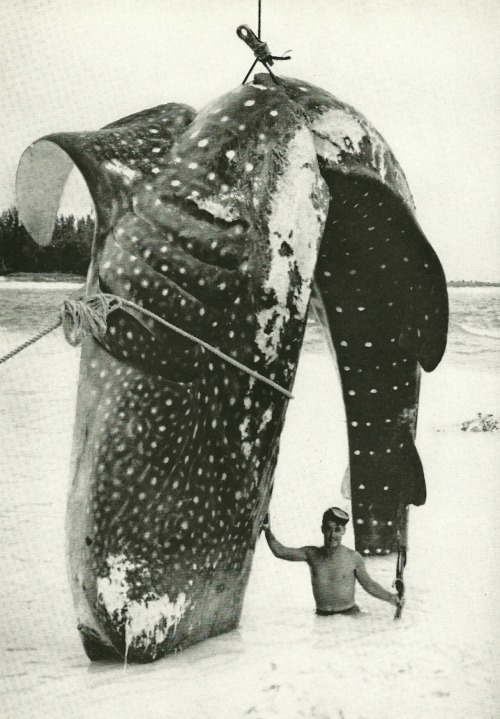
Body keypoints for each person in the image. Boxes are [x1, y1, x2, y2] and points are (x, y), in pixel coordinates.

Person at [262, 507, 402, 615]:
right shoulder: (311, 554)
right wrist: (267, 530)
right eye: (328, 529)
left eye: (337, 530)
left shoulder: (353, 557)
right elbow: (280, 551)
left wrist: (391, 598)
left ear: (343, 531)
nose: (332, 535)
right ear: (322, 529)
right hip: (322, 619)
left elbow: (369, 585)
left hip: (349, 617)